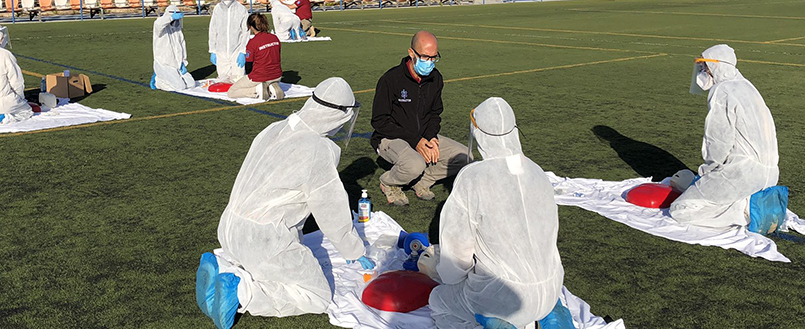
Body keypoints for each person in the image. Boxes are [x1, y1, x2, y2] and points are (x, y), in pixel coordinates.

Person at [196, 77, 373, 329]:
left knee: (259, 260)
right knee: (317, 296)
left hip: (229, 227)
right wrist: (353, 250)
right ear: (338, 116)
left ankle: (223, 265)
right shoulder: (318, 149)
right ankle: (242, 292)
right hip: (264, 239)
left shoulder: (274, 128)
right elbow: (331, 210)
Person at [428, 97, 574, 329]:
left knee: (438, 300)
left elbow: (456, 252)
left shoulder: (473, 177)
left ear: (479, 132)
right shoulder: (538, 172)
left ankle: (498, 325)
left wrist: (446, 277)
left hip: (501, 299)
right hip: (551, 290)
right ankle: (553, 319)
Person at [670, 44, 780, 229]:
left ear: (717, 67)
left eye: (705, 67)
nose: (702, 71)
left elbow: (719, 141)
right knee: (696, 188)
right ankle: (747, 200)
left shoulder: (722, 91)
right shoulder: (747, 86)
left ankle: (742, 208)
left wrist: (707, 173)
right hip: (770, 174)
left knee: (681, 209)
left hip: (743, 173)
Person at [371, 31, 470, 205]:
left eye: (434, 58)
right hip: (390, 138)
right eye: (425, 57)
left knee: (465, 156)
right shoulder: (390, 79)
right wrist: (416, 140)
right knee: (415, 164)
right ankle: (388, 182)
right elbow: (379, 121)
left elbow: (435, 113)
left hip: (422, 135)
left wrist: (431, 136)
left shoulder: (436, 78)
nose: (430, 63)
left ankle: (422, 181)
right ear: (411, 53)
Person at [227, 13, 284, 100]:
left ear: (251, 27)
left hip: (260, 76)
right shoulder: (275, 38)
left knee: (231, 92)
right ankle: (271, 87)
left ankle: (257, 90)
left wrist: (248, 76)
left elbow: (249, 65)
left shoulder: (253, 42)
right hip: (277, 76)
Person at [209, 0, 251, 83]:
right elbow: (213, 30)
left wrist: (243, 51)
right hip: (221, 51)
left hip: (236, 51)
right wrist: (213, 50)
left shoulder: (241, 9)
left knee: (238, 80)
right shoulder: (217, 9)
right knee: (223, 81)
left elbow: (246, 32)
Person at [151, 4, 196, 91]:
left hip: (178, 65)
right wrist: (171, 18)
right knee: (180, 87)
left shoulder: (177, 29)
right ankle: (158, 81)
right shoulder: (160, 27)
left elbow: (182, 45)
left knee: (191, 84)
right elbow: (159, 24)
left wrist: (183, 62)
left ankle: (171, 77)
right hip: (164, 64)